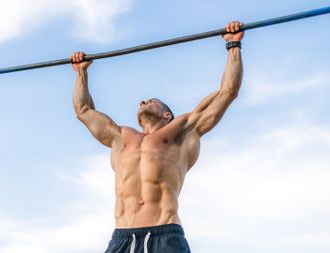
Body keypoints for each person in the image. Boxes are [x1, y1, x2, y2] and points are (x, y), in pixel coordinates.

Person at [71, 20, 244, 253]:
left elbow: (228, 92)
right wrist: (81, 71)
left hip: (166, 235)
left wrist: (233, 45)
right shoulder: (121, 137)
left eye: (151, 100)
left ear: (167, 114)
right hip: (122, 238)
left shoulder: (183, 132)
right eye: (142, 101)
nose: (143, 101)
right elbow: (84, 110)